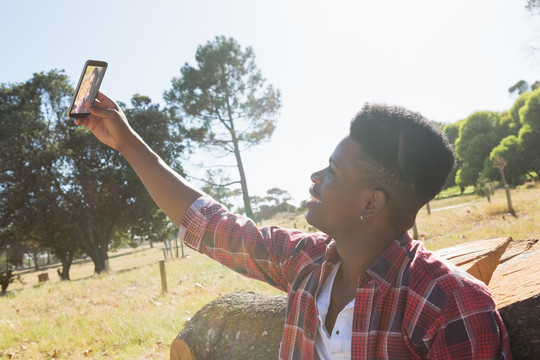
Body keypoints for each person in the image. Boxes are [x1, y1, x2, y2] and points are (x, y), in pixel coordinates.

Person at [77, 92, 512, 359]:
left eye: (333, 172)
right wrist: (126, 141)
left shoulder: (450, 305)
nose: (316, 179)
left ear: (370, 203)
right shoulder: (305, 263)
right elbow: (211, 225)